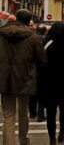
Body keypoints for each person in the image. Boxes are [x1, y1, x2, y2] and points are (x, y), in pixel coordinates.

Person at [0, 9, 47, 145]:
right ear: (28, 22)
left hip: (4, 78)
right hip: (25, 78)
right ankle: (23, 139)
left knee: (8, 115)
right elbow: (42, 60)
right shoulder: (33, 38)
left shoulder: (1, 34)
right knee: (23, 111)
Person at [29, 24, 47, 122]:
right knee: (41, 92)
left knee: (32, 92)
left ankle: (32, 112)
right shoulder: (45, 40)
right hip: (41, 69)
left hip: (32, 68)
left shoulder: (30, 39)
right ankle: (41, 114)